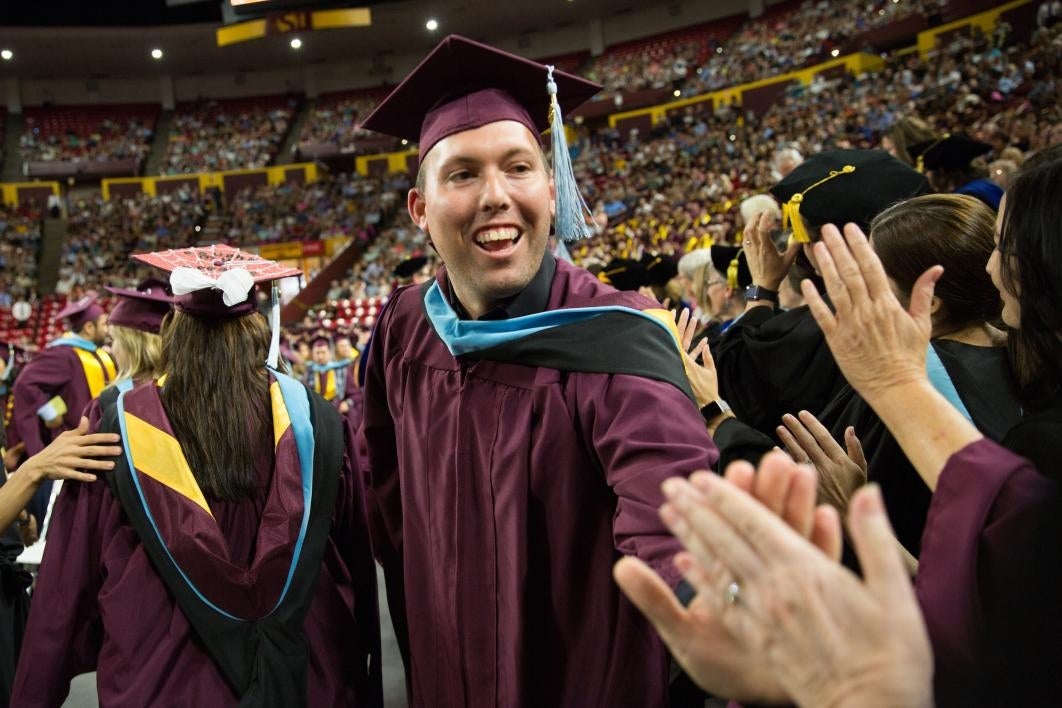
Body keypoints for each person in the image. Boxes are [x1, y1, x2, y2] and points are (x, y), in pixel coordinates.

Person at [358, 35, 716, 707]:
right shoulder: (405, 328)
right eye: (462, 174)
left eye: (517, 167)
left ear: (552, 190)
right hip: (442, 671)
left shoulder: (618, 341)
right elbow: (384, 501)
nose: (496, 195)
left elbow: (672, 516)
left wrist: (706, 602)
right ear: (419, 210)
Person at [12, 245, 381, 707]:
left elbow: (65, 589)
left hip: (163, 681)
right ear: (257, 329)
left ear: (173, 330)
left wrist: (32, 693)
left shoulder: (118, 426)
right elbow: (355, 565)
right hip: (305, 676)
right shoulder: (317, 422)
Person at [778, 194, 1021, 557]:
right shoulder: (1024, 355)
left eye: (875, 277)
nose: (862, 287)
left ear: (930, 303)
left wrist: (715, 414)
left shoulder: (909, 388)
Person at [712, 149, 928, 438]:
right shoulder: (938, 285)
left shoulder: (823, 325)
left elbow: (736, 376)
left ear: (819, 247)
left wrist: (762, 287)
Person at [11, 293, 116, 522]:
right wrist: (50, 411)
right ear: (88, 327)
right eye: (103, 323)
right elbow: (25, 385)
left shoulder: (96, 353)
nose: (108, 328)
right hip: (72, 447)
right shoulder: (62, 354)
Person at [908, 133, 1004, 209]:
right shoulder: (985, 185)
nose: (926, 176)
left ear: (941, 172)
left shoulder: (966, 198)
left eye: (926, 171)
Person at [104, 280, 172, 385]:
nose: (112, 349)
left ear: (132, 346)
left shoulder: (118, 399)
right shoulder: (186, 388)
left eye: (113, 339)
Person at [304, 335, 357, 416]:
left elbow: (355, 394)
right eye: (317, 353)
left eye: (323, 352)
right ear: (313, 354)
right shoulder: (309, 372)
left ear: (329, 352)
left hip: (337, 412)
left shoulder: (341, 369)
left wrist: (347, 403)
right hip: (318, 413)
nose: (320, 356)